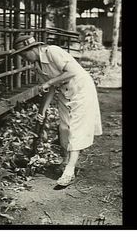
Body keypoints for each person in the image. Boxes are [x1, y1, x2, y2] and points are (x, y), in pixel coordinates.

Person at [11, 35, 103, 186]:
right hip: (65, 94)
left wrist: (50, 82)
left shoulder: (52, 52)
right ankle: (65, 160)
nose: (23, 57)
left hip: (80, 90)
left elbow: (72, 72)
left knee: (76, 129)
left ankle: (69, 171)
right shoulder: (37, 66)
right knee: (64, 128)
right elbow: (49, 89)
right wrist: (42, 111)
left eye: (23, 54)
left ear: (32, 48)